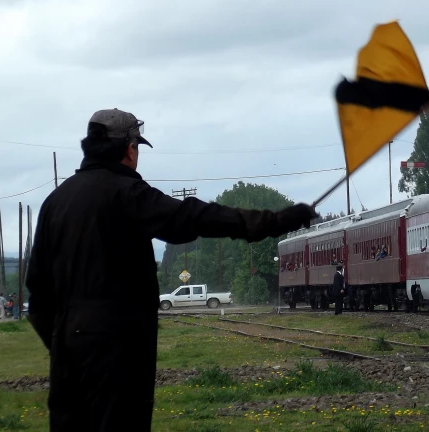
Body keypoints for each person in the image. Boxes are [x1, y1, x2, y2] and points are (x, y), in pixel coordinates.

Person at [25, 108, 318, 432]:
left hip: (67, 348)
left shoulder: (54, 203)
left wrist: (65, 341)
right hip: (118, 350)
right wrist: (275, 221)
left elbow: (37, 297)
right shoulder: (126, 194)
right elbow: (193, 217)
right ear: (130, 149)